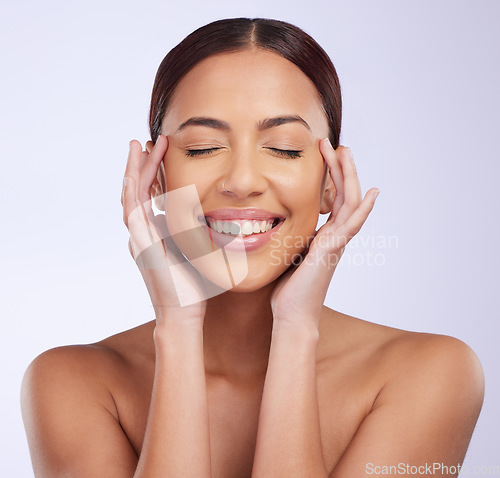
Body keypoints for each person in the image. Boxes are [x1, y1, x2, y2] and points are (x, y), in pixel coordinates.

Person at [20, 17, 484, 478]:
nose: (241, 182)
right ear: (155, 181)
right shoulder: (71, 384)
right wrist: (178, 327)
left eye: (283, 148)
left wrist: (297, 327)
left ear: (332, 182)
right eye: (202, 148)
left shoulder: (431, 376)